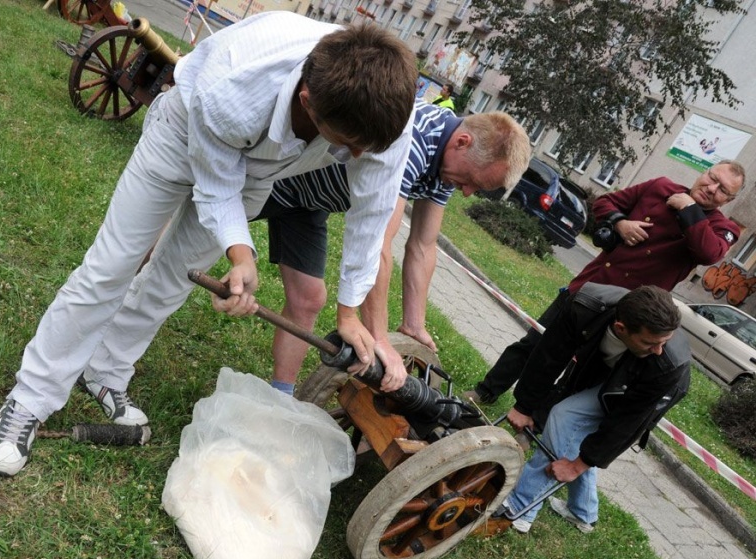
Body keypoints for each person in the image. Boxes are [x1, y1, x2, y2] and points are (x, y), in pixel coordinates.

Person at [0, 12, 419, 477]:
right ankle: (29, 398)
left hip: (260, 174)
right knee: (112, 266)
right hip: (184, 130)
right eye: (347, 144)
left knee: (172, 280)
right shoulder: (234, 85)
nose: (353, 158)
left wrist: (349, 313)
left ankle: (106, 369)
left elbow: (371, 218)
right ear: (308, 101)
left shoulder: (385, 116)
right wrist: (240, 251)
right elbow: (215, 184)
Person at [259, 101, 531, 395]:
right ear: (463, 143)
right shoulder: (413, 140)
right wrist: (379, 339)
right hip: (275, 178)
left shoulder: (447, 163)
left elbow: (423, 246)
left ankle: (278, 397)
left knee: (309, 299)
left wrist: (413, 325)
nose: (466, 192)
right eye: (472, 182)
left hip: (309, 204)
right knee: (207, 232)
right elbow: (377, 244)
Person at [464, 160, 745, 405]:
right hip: (588, 289)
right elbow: (604, 202)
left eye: (722, 190)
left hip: (624, 312)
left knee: (580, 373)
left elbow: (708, 252)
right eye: (712, 178)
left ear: (728, 201)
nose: (711, 188)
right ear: (704, 172)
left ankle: (533, 421)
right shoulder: (660, 186)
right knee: (534, 343)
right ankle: (485, 391)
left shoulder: (722, 228)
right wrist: (620, 222)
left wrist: (689, 208)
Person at [497, 284, 690, 533]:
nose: (659, 349)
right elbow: (549, 355)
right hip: (608, 369)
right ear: (621, 328)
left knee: (564, 417)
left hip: (645, 386)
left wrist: (578, 466)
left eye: (665, 341)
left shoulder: (666, 363)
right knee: (573, 433)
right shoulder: (583, 308)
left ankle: (519, 509)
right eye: (650, 342)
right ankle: (583, 513)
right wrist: (524, 406)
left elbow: (627, 422)